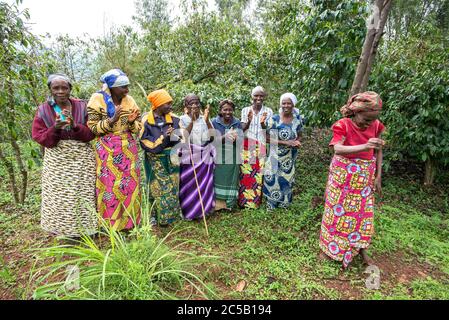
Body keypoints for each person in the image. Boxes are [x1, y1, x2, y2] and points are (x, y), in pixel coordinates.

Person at [319, 91, 385, 268]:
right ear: (356, 112)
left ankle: (361, 249)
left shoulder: (376, 125)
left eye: (373, 120)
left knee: (363, 215)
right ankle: (330, 249)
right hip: (343, 177)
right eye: (367, 119)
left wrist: (378, 176)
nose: (370, 123)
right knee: (336, 212)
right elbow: (338, 149)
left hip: (365, 177)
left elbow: (378, 150)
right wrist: (365, 145)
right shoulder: (343, 125)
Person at [32, 74, 97, 237]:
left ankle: (85, 230)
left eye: (64, 88)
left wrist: (75, 126)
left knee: (83, 194)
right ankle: (62, 231)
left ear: (70, 89)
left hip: (82, 159)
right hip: (57, 160)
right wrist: (55, 128)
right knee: (59, 196)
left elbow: (91, 134)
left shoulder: (82, 106)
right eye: (56, 88)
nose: (60, 91)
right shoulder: (43, 110)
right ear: (50, 90)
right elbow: (39, 137)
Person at [87, 69, 142, 231]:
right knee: (109, 185)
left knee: (130, 184)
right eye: (123, 87)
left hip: (128, 148)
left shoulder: (129, 100)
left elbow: (138, 126)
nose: (127, 90)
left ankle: (130, 222)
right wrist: (112, 120)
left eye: (127, 86)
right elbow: (92, 129)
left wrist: (132, 122)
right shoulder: (97, 99)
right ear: (111, 87)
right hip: (106, 149)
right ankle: (111, 224)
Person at [140, 89, 182, 226]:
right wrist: (165, 136)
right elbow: (146, 143)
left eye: (170, 103)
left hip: (172, 157)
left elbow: (181, 139)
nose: (170, 106)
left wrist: (175, 136)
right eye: (167, 103)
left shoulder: (175, 119)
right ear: (157, 105)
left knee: (173, 186)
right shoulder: (146, 120)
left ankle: (170, 217)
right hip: (154, 159)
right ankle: (154, 217)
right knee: (156, 187)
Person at [263, 93, 304, 209]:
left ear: (293, 105)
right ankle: (271, 204)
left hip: (289, 156)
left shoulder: (298, 119)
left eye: (289, 103)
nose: (286, 105)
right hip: (274, 155)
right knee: (273, 179)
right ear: (281, 104)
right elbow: (267, 138)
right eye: (284, 103)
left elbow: (300, 135)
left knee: (287, 179)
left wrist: (297, 142)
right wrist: (286, 142)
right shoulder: (274, 120)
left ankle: (284, 203)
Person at [178, 94, 216, 220]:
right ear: (186, 106)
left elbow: (212, 137)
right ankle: (190, 212)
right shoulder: (182, 119)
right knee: (190, 184)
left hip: (204, 154)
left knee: (204, 184)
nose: (194, 106)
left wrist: (206, 120)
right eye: (191, 103)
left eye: (197, 103)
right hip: (190, 155)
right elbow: (184, 136)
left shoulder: (204, 118)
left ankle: (203, 210)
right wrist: (193, 121)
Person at [238, 86, 273, 209]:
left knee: (258, 175)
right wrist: (248, 120)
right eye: (256, 95)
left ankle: (255, 203)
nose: (258, 98)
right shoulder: (245, 110)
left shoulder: (268, 111)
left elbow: (267, 130)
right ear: (251, 97)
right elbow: (242, 129)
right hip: (247, 145)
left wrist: (263, 124)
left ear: (264, 97)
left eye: (261, 96)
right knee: (246, 174)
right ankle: (244, 202)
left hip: (261, 144)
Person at [211, 99, 243, 211]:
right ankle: (217, 205)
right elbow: (212, 141)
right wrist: (225, 136)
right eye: (225, 109)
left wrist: (235, 138)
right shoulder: (214, 122)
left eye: (230, 110)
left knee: (230, 178)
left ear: (233, 110)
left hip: (232, 155)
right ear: (220, 110)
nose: (228, 112)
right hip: (218, 153)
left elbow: (240, 142)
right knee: (217, 177)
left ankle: (228, 204)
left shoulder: (237, 122)